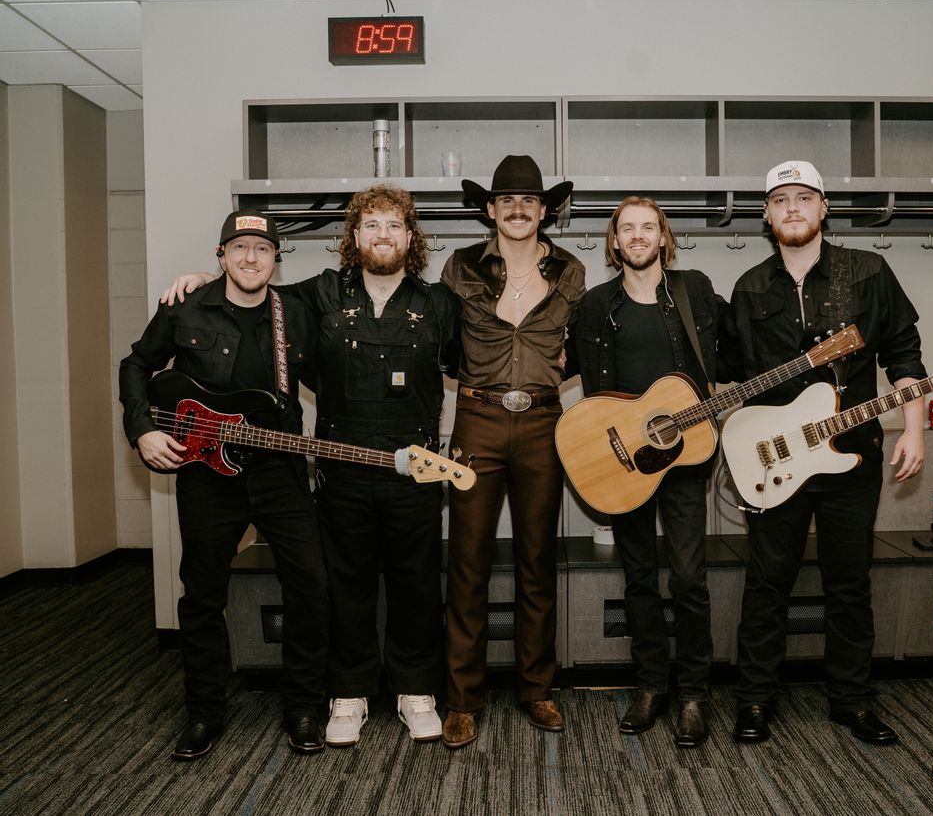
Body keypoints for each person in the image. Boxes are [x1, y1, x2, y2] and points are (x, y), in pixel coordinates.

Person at [160, 186, 461, 747]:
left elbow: (476, 366)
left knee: (415, 585)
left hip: (414, 470)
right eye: (370, 225)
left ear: (411, 237)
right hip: (339, 470)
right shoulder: (314, 296)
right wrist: (200, 282)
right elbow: (250, 293)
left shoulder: (441, 303)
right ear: (352, 236)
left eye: (394, 225)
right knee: (343, 586)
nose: (382, 235)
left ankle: (415, 690)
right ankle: (348, 693)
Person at [719, 160, 926, 745]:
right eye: (780, 198)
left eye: (803, 197)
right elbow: (733, 379)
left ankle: (852, 701)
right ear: (766, 214)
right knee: (766, 583)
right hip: (775, 461)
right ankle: (755, 700)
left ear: (823, 207)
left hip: (852, 457)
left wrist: (915, 429)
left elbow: (905, 357)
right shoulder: (749, 287)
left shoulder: (867, 272)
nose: (792, 208)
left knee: (849, 583)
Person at [119, 210, 330, 760]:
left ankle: (304, 706)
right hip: (207, 476)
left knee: (309, 587)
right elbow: (136, 365)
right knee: (203, 593)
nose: (250, 258)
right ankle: (204, 713)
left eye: (261, 249)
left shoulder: (296, 314)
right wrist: (142, 429)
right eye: (238, 248)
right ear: (221, 256)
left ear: (276, 258)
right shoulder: (186, 306)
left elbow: (333, 379)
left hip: (279, 472)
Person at [566, 197, 728, 748]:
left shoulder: (695, 291)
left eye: (648, 227)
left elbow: (738, 351)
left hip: (684, 458)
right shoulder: (593, 306)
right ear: (615, 242)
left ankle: (692, 694)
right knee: (638, 579)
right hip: (623, 464)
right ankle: (651, 685)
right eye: (626, 229)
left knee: (687, 578)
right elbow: (562, 369)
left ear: (664, 237)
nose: (637, 236)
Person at [440, 155, 586, 749]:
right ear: (491, 210)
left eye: (529, 200)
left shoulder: (571, 271)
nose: (518, 209)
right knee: (468, 563)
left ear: (545, 209)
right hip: (476, 418)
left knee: (536, 561)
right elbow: (445, 343)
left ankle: (537, 690)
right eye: (507, 201)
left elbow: (582, 347)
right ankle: (463, 700)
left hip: (544, 423)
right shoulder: (461, 266)